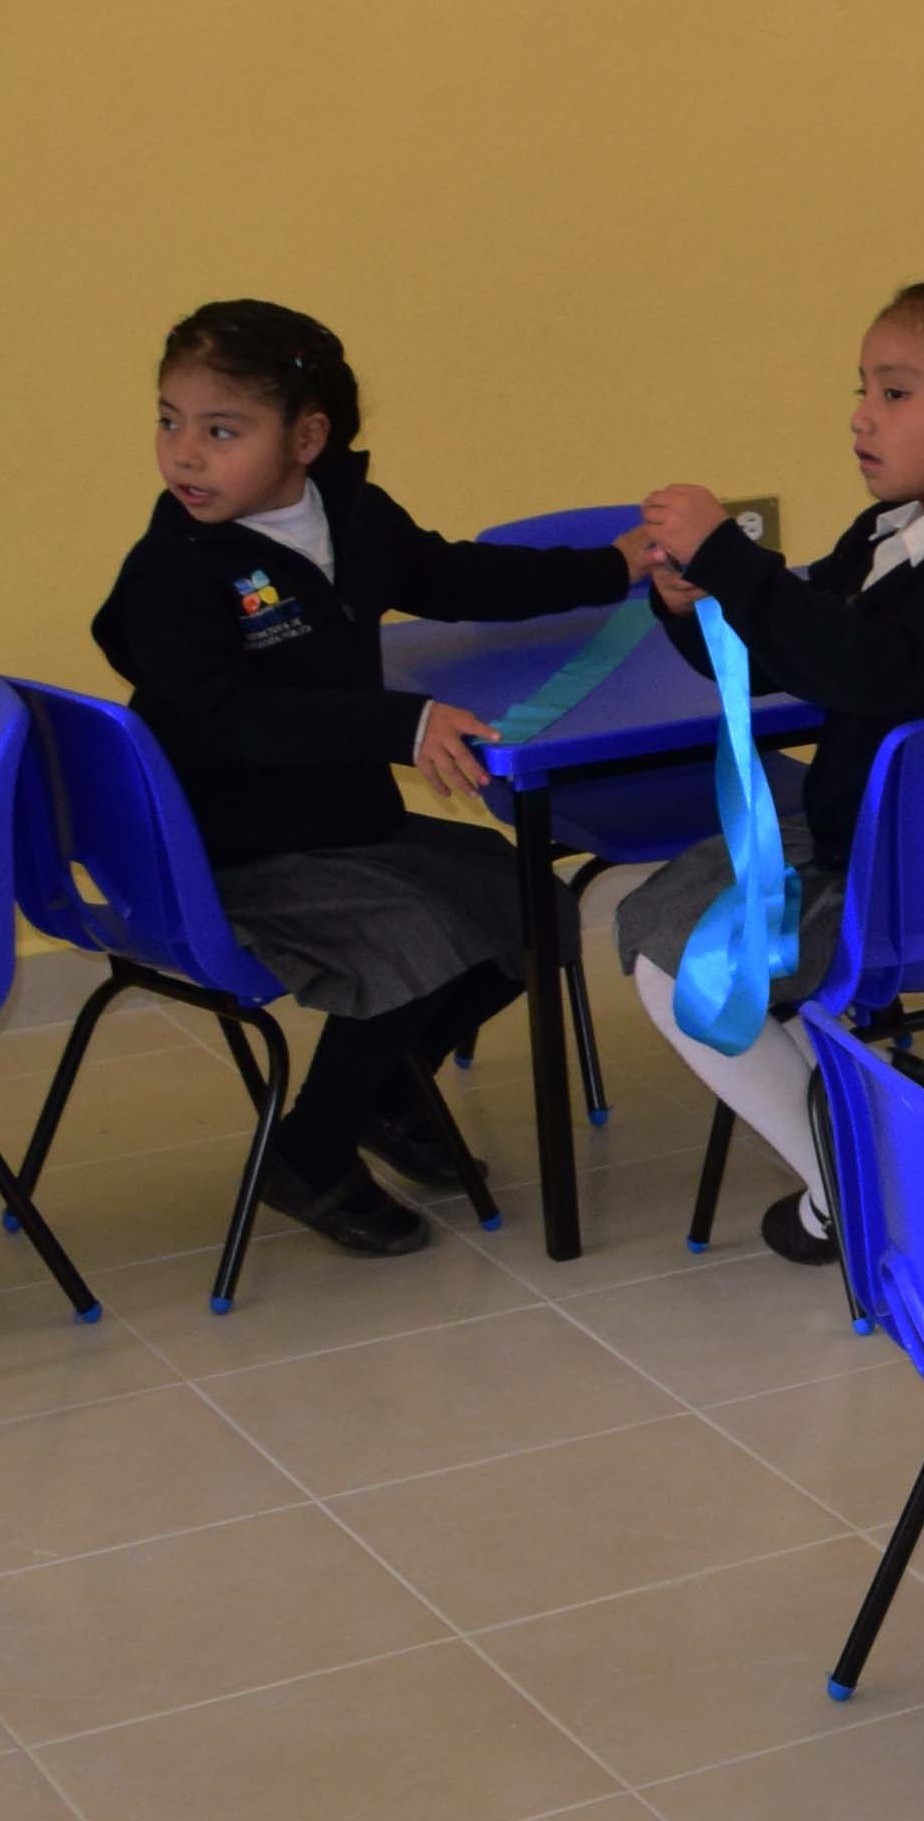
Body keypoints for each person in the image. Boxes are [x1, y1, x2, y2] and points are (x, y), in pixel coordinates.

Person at [96, 300, 678, 1260]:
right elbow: (233, 716)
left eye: (220, 429)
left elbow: (453, 578)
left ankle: (379, 1087)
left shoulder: (348, 514)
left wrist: (606, 568)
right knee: (416, 937)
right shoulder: (168, 579)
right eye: (169, 421)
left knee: (525, 903)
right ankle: (310, 1152)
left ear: (307, 437)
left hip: (335, 820)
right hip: (227, 846)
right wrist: (400, 724)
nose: (184, 454)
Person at [615, 279, 924, 1259]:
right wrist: (693, 599)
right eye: (862, 391)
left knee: (686, 967)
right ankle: (863, 1130)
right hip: (871, 846)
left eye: (896, 393)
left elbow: (858, 670)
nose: (861, 418)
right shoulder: (888, 533)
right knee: (655, 921)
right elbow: (777, 650)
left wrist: (731, 560)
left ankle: (854, 1184)